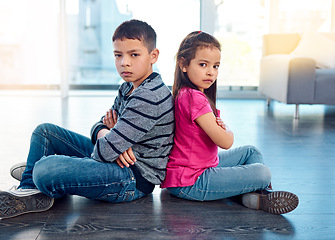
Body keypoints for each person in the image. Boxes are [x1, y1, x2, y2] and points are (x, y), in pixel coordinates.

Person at [0, 19, 174, 219]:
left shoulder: (149, 96)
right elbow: (101, 125)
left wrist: (112, 141)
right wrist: (108, 133)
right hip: (116, 162)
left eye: (134, 54)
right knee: (45, 131)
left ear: (154, 56)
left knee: (44, 169)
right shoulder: (128, 86)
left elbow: (104, 152)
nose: (124, 62)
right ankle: (30, 190)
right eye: (118, 55)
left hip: (132, 178)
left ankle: (38, 175)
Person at [160, 31, 299, 214]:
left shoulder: (185, 93)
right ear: (183, 64)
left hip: (197, 169)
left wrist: (220, 128)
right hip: (192, 182)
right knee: (263, 173)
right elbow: (226, 142)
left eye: (216, 66)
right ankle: (257, 194)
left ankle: (255, 195)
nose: (211, 72)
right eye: (203, 65)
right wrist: (228, 130)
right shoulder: (195, 99)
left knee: (251, 151)